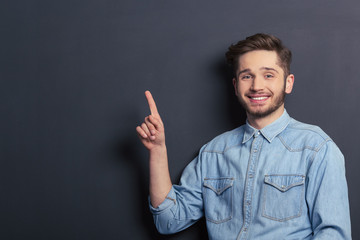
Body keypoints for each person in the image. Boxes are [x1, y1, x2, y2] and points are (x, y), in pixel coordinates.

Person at [136, 33, 352, 239]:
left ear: (288, 82)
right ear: (236, 86)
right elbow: (168, 221)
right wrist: (157, 151)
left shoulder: (317, 148)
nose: (257, 86)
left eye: (268, 75)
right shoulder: (213, 153)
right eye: (247, 76)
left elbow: (333, 234)